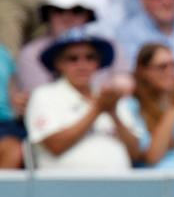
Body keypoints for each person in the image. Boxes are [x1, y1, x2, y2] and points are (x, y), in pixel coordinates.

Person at [25, 27, 143, 170]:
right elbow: (55, 146)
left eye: (90, 57)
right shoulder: (44, 95)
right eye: (72, 58)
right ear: (59, 63)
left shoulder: (110, 97)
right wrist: (98, 109)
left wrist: (113, 113)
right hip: (64, 189)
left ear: (98, 63)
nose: (82, 65)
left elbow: (135, 152)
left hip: (119, 186)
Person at [16, 0, 117, 93]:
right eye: (59, 10)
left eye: (76, 10)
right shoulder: (31, 54)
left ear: (88, 15)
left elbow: (124, 85)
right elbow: (40, 98)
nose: (67, 17)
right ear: (48, 15)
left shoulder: (108, 45)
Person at [0, 45, 24, 168]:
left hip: (8, 123)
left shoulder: (3, 53)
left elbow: (13, 92)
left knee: (16, 150)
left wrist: (21, 102)